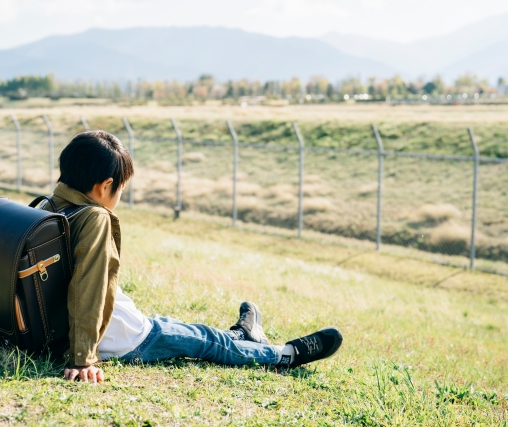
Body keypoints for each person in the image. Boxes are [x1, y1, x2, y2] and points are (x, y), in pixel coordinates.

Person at [48, 130, 343, 384]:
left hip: (112, 325)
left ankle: (244, 335)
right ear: (104, 187)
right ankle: (285, 354)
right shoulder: (96, 218)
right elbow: (90, 285)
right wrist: (82, 358)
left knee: (183, 329)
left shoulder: (46, 209)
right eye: (121, 189)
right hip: (126, 339)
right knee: (207, 343)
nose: (120, 195)